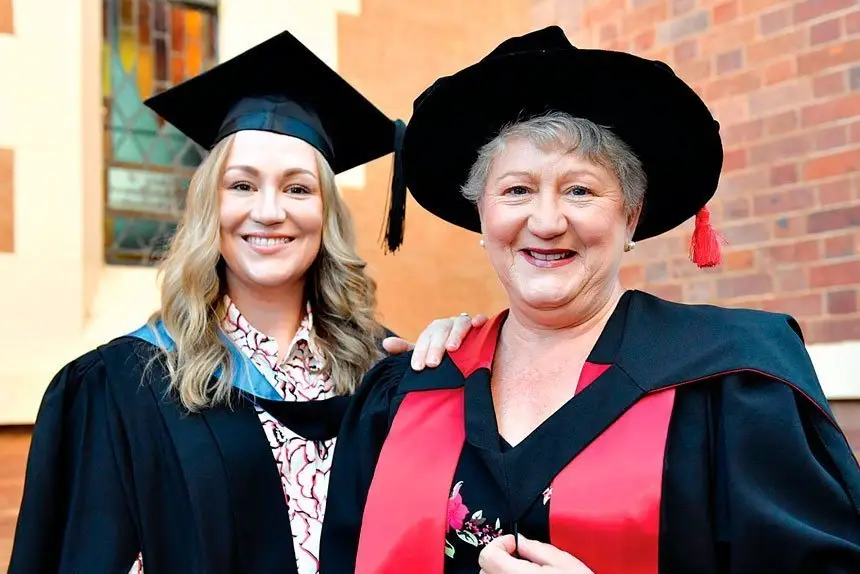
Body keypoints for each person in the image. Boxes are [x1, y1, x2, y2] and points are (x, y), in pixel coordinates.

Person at [319, 26, 860, 574]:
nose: (548, 222)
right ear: (481, 217)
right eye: (516, 191)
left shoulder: (734, 382)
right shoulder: (409, 391)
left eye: (580, 190)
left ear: (631, 216)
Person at [9, 30, 482, 574]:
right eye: (242, 185)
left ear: (326, 215)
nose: (269, 211)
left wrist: (456, 373)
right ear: (210, 205)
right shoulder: (122, 385)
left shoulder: (380, 370)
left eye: (298, 189)